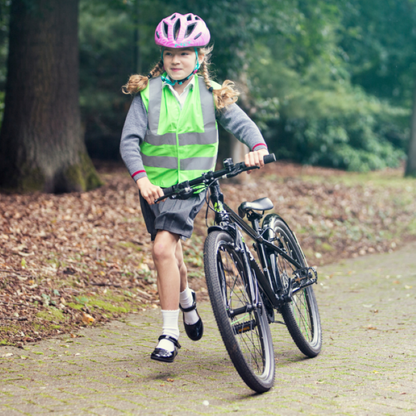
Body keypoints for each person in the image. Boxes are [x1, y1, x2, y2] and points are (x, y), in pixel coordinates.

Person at [120, 12, 269, 363]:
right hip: (154, 189)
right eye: (170, 54)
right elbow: (129, 142)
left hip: (191, 186)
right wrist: (142, 180)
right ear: (162, 57)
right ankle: (186, 300)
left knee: (160, 250)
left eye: (185, 53)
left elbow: (244, 125)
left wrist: (258, 148)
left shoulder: (212, 94)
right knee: (170, 254)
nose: (176, 60)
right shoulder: (147, 94)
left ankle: (169, 334)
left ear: (200, 56)